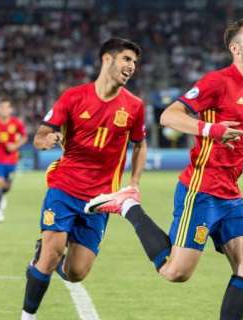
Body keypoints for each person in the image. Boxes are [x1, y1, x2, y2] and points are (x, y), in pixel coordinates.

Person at [86, 17, 243, 320]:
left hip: (231, 196)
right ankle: (128, 206)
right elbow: (169, 116)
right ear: (235, 48)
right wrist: (211, 129)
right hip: (201, 189)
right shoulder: (218, 82)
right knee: (176, 272)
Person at [20, 38, 147, 320]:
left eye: (135, 63)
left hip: (100, 199)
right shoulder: (73, 97)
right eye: (126, 59)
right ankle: (27, 316)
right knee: (51, 254)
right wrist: (47, 139)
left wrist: (134, 182)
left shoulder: (135, 106)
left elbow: (140, 144)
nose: (131, 67)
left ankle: (45, 254)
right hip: (64, 187)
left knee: (76, 273)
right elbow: (39, 135)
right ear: (107, 60)